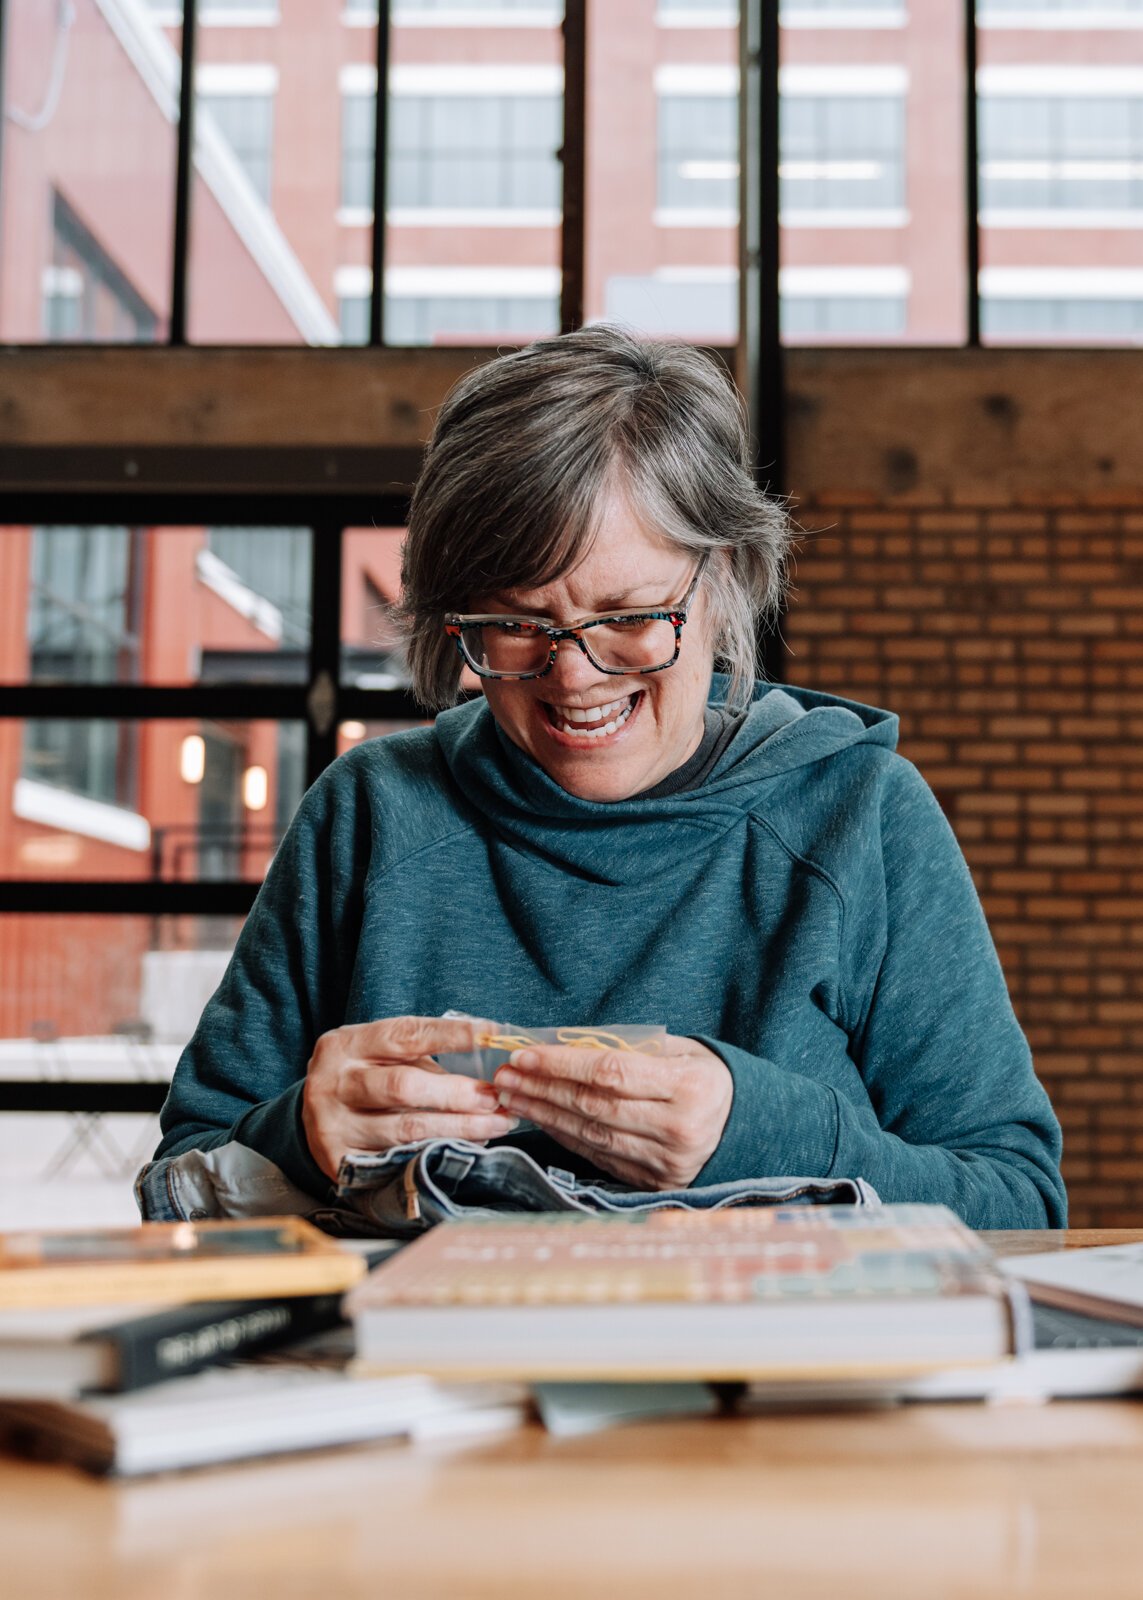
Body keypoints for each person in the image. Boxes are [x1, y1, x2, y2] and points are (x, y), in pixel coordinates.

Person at [143, 324, 1065, 1230]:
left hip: (761, 1375)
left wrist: (759, 1130)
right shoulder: (369, 814)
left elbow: (1019, 1202)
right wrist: (300, 1137)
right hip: (424, 1371)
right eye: (514, 623)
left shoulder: (859, 817)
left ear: (730, 577)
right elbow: (177, 1189)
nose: (573, 675)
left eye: (629, 616)